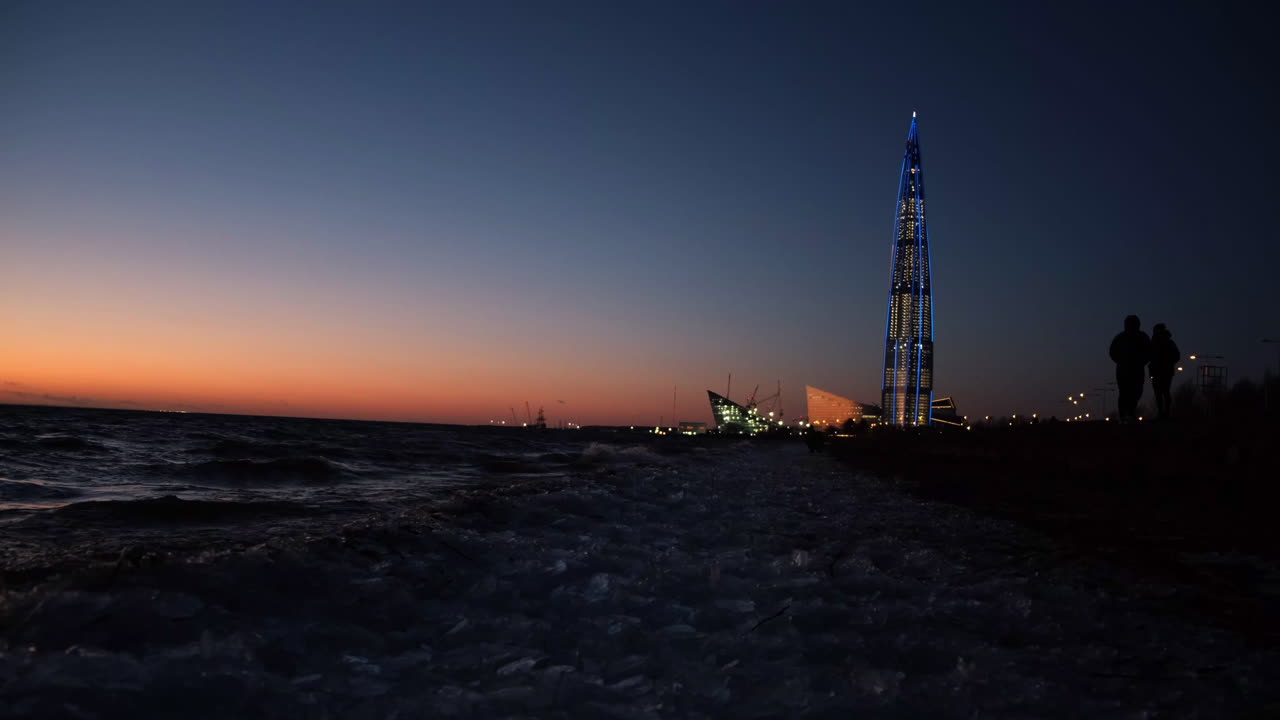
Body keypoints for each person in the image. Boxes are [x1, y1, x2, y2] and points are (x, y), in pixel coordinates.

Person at [1109, 315, 1151, 422]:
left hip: (1137, 369)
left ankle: (1130, 412)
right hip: (1124, 370)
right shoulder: (1120, 338)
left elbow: (1149, 351)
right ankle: (1124, 414)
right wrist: (1121, 361)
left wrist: (1142, 362)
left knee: (1136, 391)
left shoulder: (1143, 337)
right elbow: (1112, 352)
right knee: (1124, 392)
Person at [1149, 323, 1180, 420]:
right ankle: (1162, 413)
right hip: (1158, 370)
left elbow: (1176, 356)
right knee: (1160, 392)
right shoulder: (1154, 343)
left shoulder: (1168, 342)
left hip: (1164, 370)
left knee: (1163, 391)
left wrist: (1167, 362)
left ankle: (1165, 413)